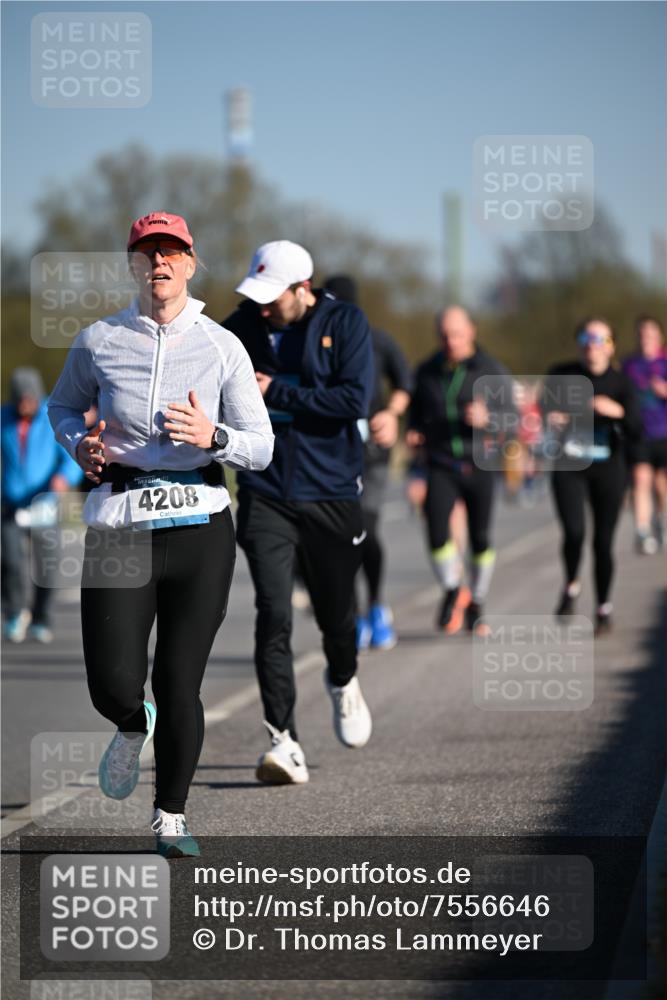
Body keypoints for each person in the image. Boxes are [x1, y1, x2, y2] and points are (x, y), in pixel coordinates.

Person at [48, 212, 273, 856]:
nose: (160, 263)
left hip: (200, 526)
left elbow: (261, 447)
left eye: (172, 252)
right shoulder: (99, 340)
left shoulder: (222, 345)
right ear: (133, 266)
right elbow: (63, 407)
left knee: (179, 683)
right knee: (112, 682)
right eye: (148, 253)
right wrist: (79, 445)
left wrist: (214, 436)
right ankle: (129, 722)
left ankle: (170, 816)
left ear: (191, 264)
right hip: (120, 526)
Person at [222, 240, 374, 786]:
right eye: (257, 298)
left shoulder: (345, 323)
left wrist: (277, 393)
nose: (263, 308)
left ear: (302, 289)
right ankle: (283, 741)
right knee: (273, 612)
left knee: (337, 616)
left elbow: (354, 400)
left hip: (331, 491)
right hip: (265, 491)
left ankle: (343, 679)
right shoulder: (240, 326)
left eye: (273, 298)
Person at [408, 306, 514, 636]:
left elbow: (514, 418)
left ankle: (477, 601)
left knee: (480, 538)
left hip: (480, 463)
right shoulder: (427, 370)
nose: (450, 341)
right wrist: (414, 432)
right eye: (444, 335)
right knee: (436, 531)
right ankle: (454, 589)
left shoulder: (491, 370)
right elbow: (415, 412)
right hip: (442, 464)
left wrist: (488, 419)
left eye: (456, 334)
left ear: (471, 331)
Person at [324, 274, 412, 652]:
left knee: (367, 530)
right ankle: (354, 612)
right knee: (341, 536)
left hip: (374, 452)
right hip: (332, 454)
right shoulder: (318, 343)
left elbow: (405, 384)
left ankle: (376, 605)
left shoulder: (379, 341)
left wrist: (392, 413)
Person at [543, 317, 641, 635]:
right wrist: (554, 415)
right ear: (579, 345)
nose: (593, 346)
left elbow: (637, 428)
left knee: (603, 543)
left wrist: (617, 411)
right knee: (574, 532)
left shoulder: (622, 383)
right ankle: (571, 585)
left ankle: (603, 608)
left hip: (608, 468)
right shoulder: (562, 375)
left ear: (611, 347)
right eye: (586, 339)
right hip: (569, 466)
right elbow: (543, 409)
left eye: (601, 339)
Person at [2, 367, 82, 642]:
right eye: (21, 400)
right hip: (11, 504)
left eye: (30, 399)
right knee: (10, 561)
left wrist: (64, 477)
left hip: (44, 503)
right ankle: (14, 614)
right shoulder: (3, 419)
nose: (26, 405)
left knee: (47, 564)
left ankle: (41, 617)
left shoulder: (52, 416)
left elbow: (70, 454)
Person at [621, 315, 667, 554]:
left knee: (661, 483)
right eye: (641, 334)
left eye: (650, 334)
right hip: (639, 433)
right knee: (641, 479)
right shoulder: (629, 364)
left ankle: (662, 519)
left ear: (659, 336)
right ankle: (642, 530)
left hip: (664, 432)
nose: (645, 338)